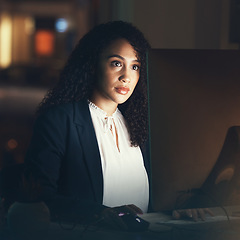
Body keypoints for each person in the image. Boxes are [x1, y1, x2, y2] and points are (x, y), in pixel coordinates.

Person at [22, 21, 212, 229]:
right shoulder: (59, 121)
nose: (126, 77)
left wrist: (182, 208)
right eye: (116, 63)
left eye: (135, 66)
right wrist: (100, 213)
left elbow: (154, 198)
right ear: (93, 64)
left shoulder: (139, 124)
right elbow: (39, 198)